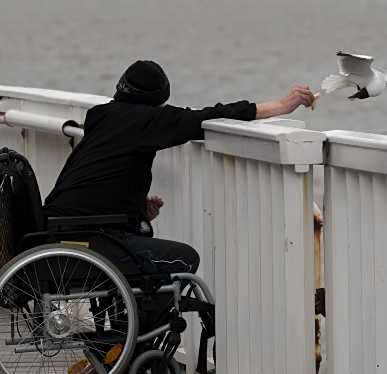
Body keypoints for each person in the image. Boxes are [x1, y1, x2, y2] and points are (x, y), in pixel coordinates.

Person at [42, 59, 314, 289]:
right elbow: (207, 116)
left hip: (54, 230)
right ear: (157, 102)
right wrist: (280, 106)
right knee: (184, 259)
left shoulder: (100, 115)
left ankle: (123, 339)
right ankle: (141, 343)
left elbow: (101, 176)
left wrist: (136, 205)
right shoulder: (148, 121)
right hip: (89, 240)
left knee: (143, 246)